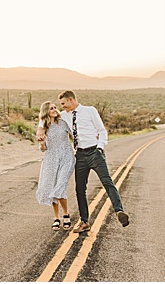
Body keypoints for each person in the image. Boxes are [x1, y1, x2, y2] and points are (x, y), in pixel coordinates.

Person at [36, 90, 129, 233]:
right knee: (80, 189)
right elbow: (45, 117)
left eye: (63, 104)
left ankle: (119, 211)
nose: (62, 107)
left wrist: (100, 147)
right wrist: (40, 130)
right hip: (80, 155)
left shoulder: (90, 111)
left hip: (94, 152)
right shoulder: (64, 116)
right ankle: (85, 222)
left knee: (107, 181)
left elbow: (101, 130)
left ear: (71, 100)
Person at [35, 100, 75, 231]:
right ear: (46, 111)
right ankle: (57, 217)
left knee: (60, 185)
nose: (54, 110)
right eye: (51, 108)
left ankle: (66, 214)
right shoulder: (43, 128)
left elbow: (74, 135)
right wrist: (42, 143)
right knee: (52, 187)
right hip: (51, 159)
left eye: (55, 107)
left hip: (66, 157)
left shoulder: (62, 122)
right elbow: (43, 149)